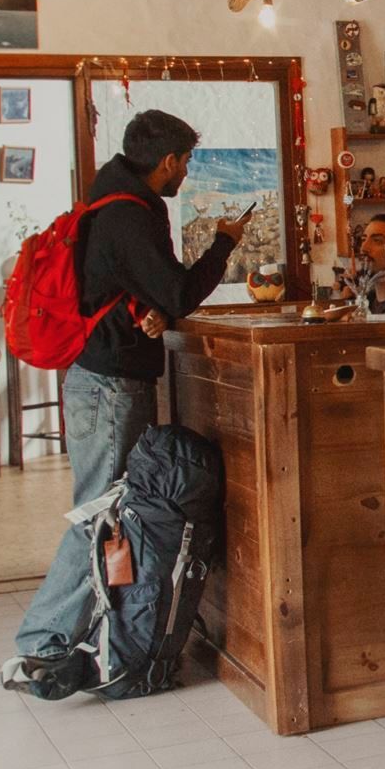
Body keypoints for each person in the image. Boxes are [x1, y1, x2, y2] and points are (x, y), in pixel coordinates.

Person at [68, 109, 243, 506]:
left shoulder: (111, 201)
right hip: (109, 382)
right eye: (185, 162)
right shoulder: (129, 214)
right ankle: (69, 574)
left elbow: (122, 286)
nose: (185, 172)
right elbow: (179, 294)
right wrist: (223, 244)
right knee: (101, 510)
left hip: (103, 376)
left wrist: (151, 311)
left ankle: (109, 573)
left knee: (110, 509)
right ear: (169, 161)